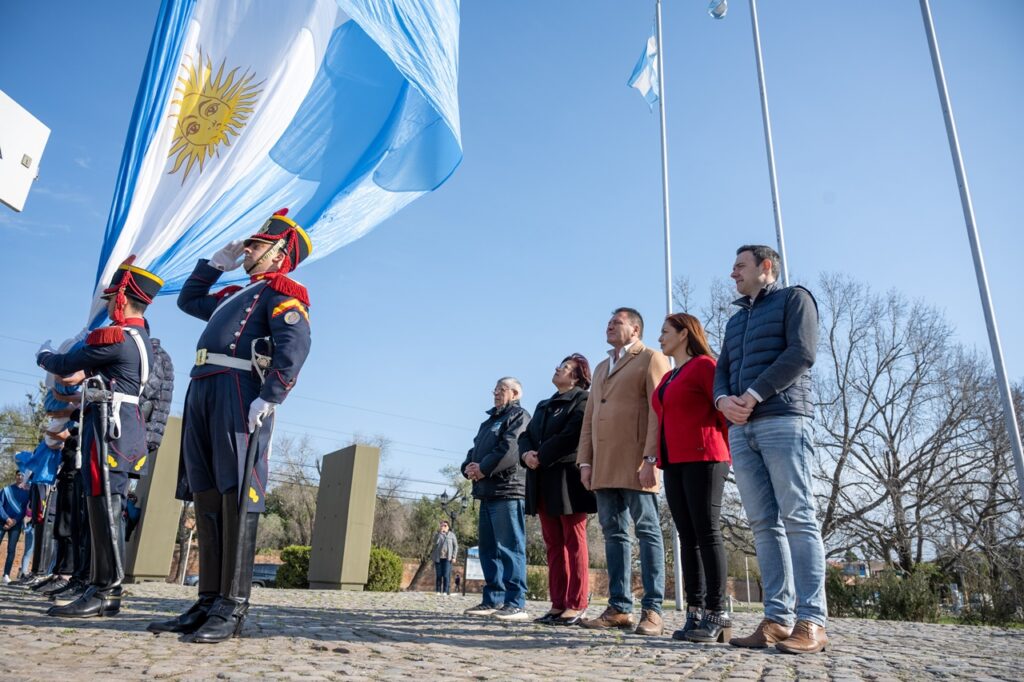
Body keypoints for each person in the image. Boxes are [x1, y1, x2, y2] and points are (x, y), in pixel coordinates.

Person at [148, 209, 312, 643]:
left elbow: (294, 346)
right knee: (205, 493)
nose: (249, 248)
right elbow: (188, 300)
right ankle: (208, 599)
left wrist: (270, 395)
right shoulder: (236, 293)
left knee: (236, 493)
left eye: (258, 245)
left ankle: (233, 605)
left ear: (279, 255)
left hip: (239, 391)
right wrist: (213, 265)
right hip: (203, 388)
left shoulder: (283, 292)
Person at [713, 244, 828, 654]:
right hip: (742, 429)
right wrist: (723, 401)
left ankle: (811, 620)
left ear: (766, 267)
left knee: (798, 517)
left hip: (783, 418)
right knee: (763, 524)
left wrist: (755, 393)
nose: (733, 274)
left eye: (740, 266)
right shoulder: (735, 320)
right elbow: (722, 369)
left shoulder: (795, 299)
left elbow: (802, 352)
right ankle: (777, 619)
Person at [36, 257, 163, 618]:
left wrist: (45, 354)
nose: (108, 306)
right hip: (113, 425)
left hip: (110, 429)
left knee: (105, 509)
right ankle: (103, 587)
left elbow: (66, 364)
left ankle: (105, 588)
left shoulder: (119, 338)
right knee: (102, 508)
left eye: (111, 300)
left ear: (121, 300)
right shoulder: (137, 338)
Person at [578, 308, 670, 635]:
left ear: (634, 329)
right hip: (603, 465)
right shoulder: (602, 366)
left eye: (616, 322)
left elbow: (659, 411)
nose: (609, 325)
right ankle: (619, 607)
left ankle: (653, 609)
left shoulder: (651, 358)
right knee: (613, 534)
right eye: (608, 322)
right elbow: (590, 419)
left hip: (637, 462)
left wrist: (651, 458)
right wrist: (585, 462)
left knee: (647, 532)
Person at [652, 314, 731, 643]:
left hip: (705, 457)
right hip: (674, 461)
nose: (660, 339)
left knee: (707, 531)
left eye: (665, 333)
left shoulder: (704, 366)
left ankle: (717, 612)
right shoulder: (669, 376)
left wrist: (726, 451)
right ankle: (695, 612)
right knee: (687, 536)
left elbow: (723, 412)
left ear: (684, 334)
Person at [519, 354, 595, 626]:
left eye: (563, 368)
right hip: (541, 480)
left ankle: (577, 604)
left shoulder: (582, 400)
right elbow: (526, 435)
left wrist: (542, 454)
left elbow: (572, 434)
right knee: (553, 545)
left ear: (576, 376)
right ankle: (558, 603)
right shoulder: (543, 405)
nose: (556, 369)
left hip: (567, 478)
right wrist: (526, 453)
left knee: (574, 541)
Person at [461, 377, 531, 622]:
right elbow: (475, 450)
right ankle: (494, 599)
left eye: (502, 389)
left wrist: (483, 468)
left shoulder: (519, 416)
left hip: (508, 489)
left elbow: (510, 450)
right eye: (495, 389)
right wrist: (468, 467)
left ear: (515, 393)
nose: (496, 393)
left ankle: (516, 602)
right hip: (486, 491)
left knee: (510, 548)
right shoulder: (488, 421)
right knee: (489, 550)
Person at [0, 472, 30, 583]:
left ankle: (6, 575)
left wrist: (14, 521)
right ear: (15, 476)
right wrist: (6, 518)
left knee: (11, 550)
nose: (20, 477)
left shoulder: (27, 493)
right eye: (18, 475)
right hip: (2, 522)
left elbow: (24, 510)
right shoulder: (6, 490)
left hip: (16, 525)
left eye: (22, 475)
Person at [431, 520, 458, 595]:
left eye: (445, 525)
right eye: (442, 525)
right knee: (439, 575)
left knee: (446, 575)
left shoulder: (452, 535)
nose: (443, 527)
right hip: (438, 558)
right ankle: (438, 590)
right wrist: (440, 533)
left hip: (447, 558)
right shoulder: (437, 535)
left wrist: (454, 557)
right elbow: (435, 543)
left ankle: (445, 591)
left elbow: (456, 546)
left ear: (448, 527)